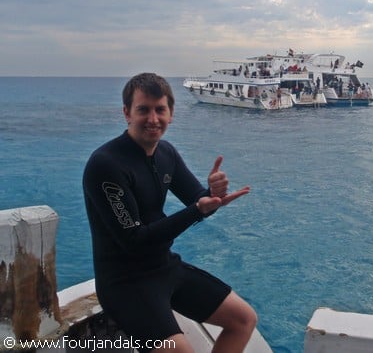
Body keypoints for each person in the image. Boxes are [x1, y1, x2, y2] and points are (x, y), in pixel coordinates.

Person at [83, 73, 257, 353]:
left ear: (171, 114)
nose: (153, 119)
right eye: (143, 110)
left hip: (163, 267)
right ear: (127, 113)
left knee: (244, 319)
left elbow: (199, 201)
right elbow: (134, 240)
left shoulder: (166, 153)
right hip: (125, 282)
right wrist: (197, 210)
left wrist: (213, 194)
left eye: (159, 109)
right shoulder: (106, 165)